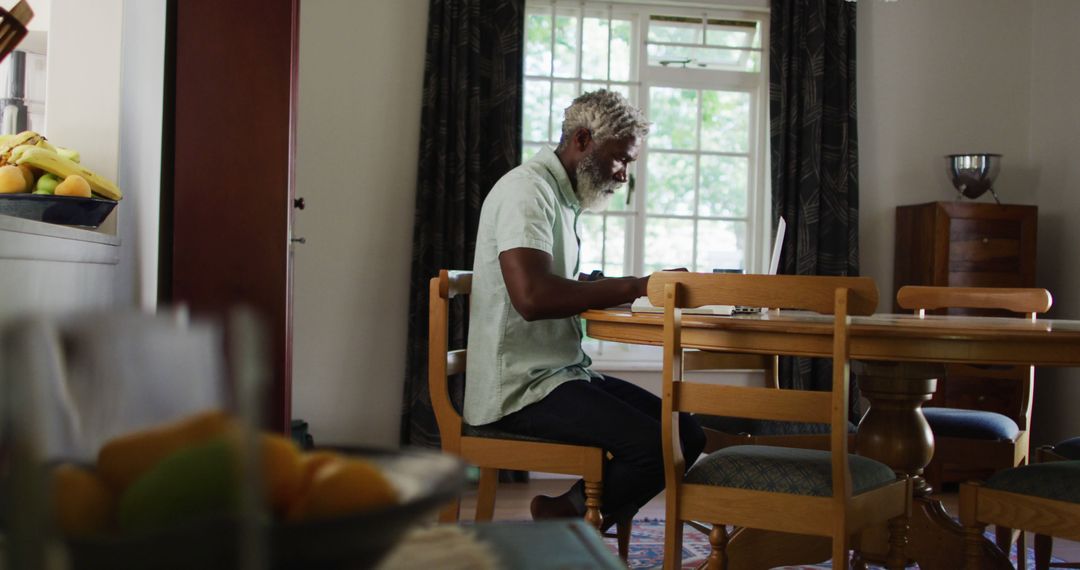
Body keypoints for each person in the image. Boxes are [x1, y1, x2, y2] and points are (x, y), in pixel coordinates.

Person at [465, 90, 705, 527]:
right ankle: (569, 522)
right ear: (582, 140)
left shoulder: (560, 198)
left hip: (558, 372)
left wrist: (617, 286)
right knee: (654, 447)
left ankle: (564, 512)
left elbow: (552, 284)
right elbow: (533, 298)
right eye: (621, 159)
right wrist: (638, 285)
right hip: (519, 387)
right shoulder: (527, 191)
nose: (624, 175)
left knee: (686, 433)